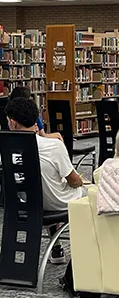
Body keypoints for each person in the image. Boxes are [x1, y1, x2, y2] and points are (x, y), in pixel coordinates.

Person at [6, 97, 84, 263]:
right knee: (89, 193)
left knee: (44, 186)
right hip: (57, 203)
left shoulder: (7, 149)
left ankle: (56, 249)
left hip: (25, 204)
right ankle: (83, 259)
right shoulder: (53, 146)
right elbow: (74, 181)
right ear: (36, 122)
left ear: (13, 123)